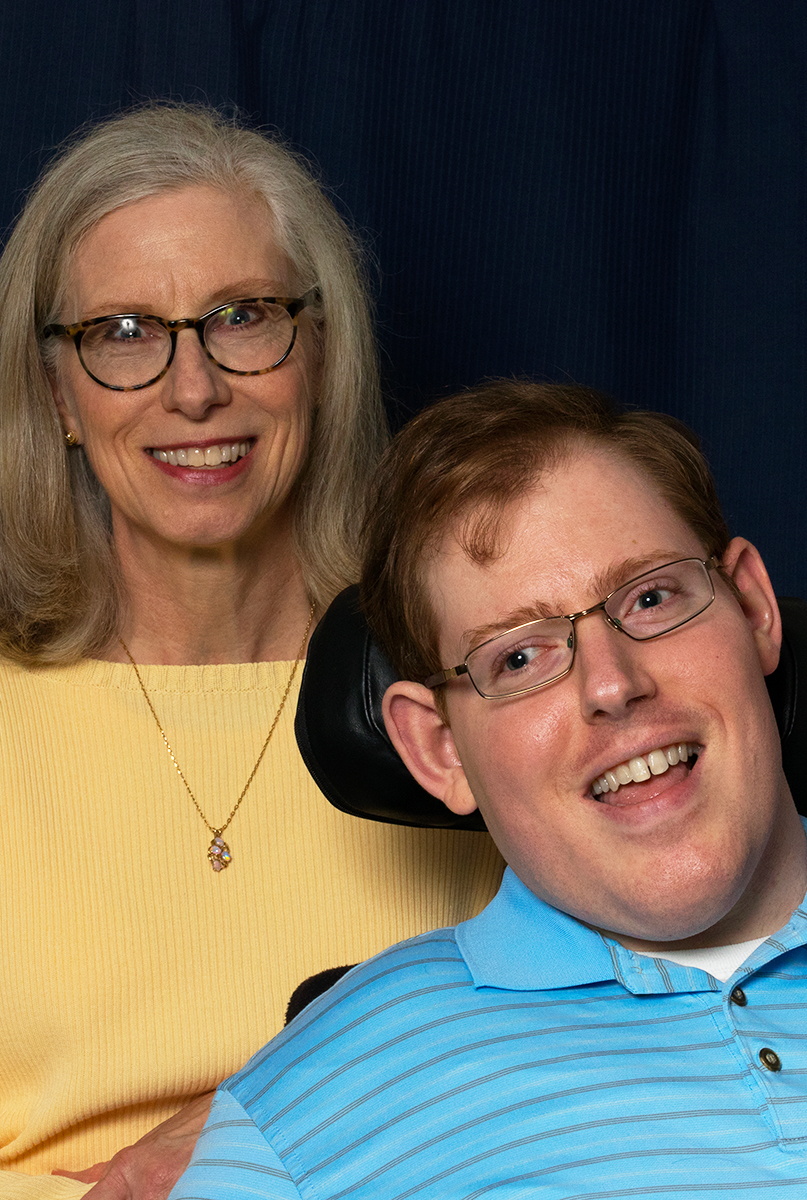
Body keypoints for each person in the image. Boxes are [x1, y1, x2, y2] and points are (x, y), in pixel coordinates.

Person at [171, 381, 807, 1200]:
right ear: (436, 747)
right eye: (521, 658)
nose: (614, 684)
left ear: (753, 609)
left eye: (652, 597)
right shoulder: (306, 1107)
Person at [0, 105, 504, 1200]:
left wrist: (257, 1127)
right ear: (58, 396)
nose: (193, 388)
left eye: (243, 316)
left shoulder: (469, 683)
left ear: (319, 354)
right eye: (123, 333)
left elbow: (597, 1039)